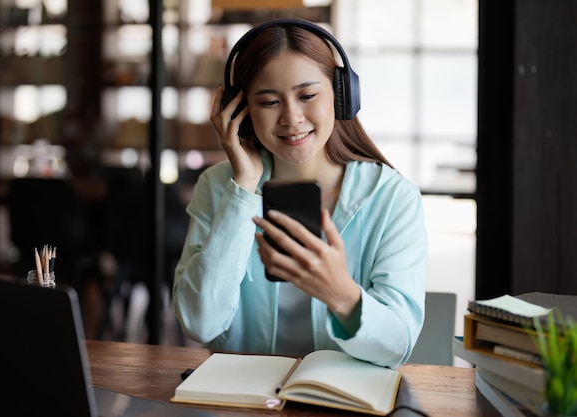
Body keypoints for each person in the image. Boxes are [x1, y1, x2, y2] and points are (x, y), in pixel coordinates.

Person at [172, 18, 427, 368]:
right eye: (269, 102)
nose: (291, 118)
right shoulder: (218, 186)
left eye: (307, 96)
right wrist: (243, 188)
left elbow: (398, 346)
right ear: (240, 111)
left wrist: (342, 294)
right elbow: (199, 324)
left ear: (341, 96)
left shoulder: (392, 198)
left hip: (342, 402)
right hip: (243, 400)